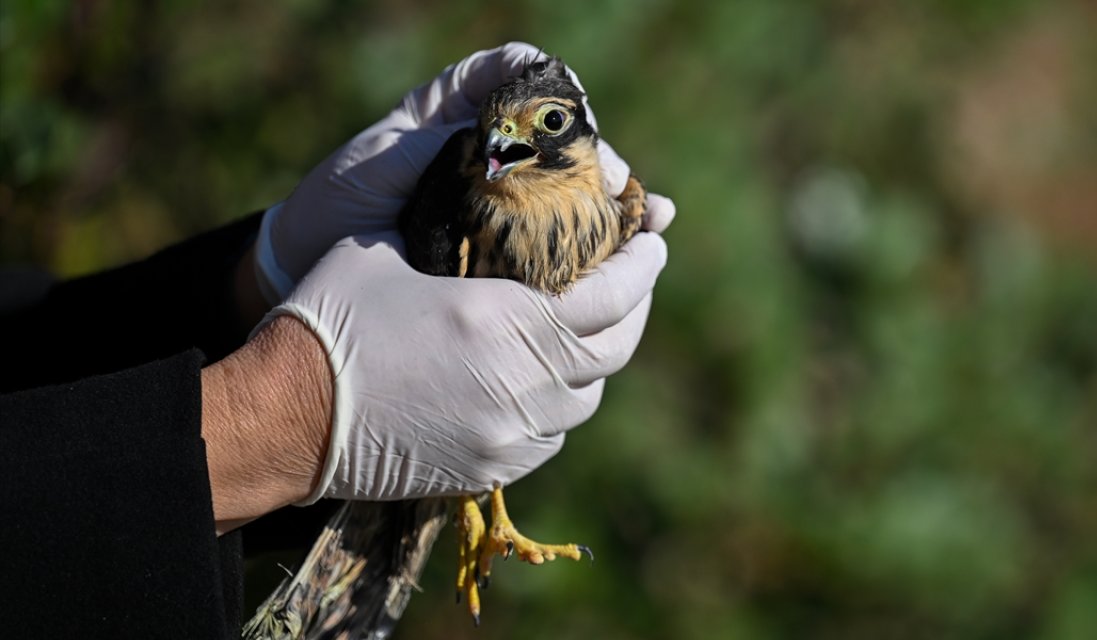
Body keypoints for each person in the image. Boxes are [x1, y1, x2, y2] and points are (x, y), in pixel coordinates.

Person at [0, 42, 674, 639]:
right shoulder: (469, 206)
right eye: (497, 123)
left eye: (549, 122)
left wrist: (248, 286)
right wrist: (278, 421)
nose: (507, 136)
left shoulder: (620, 204)